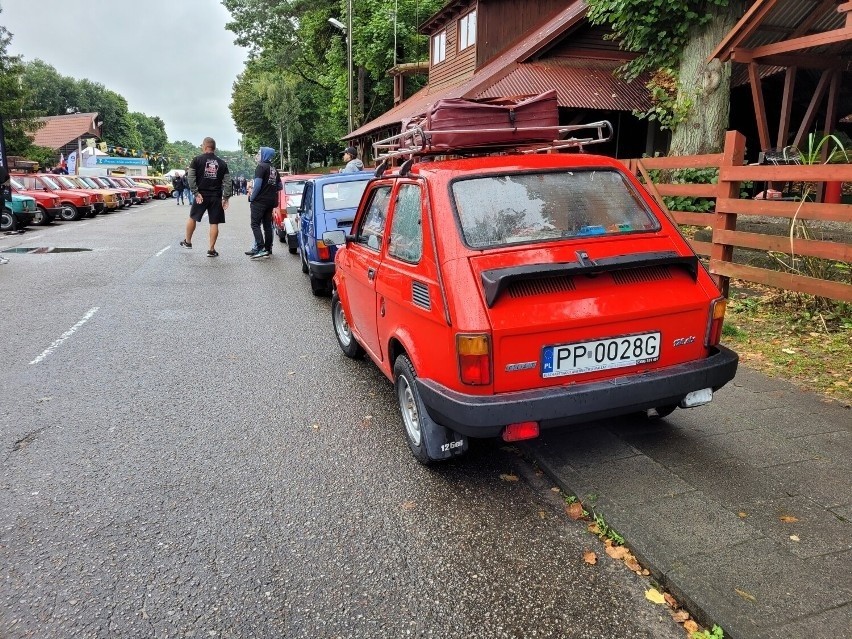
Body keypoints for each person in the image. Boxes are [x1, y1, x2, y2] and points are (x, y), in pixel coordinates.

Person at [181, 137, 233, 257]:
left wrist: (195, 192)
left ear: (204, 147)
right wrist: (226, 198)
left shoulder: (197, 160)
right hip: (216, 196)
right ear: (214, 148)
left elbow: (191, 177)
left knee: (192, 217)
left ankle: (188, 242)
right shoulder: (222, 163)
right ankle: (211, 249)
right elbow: (228, 182)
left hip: (201, 195)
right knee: (214, 223)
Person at [246, 146, 282, 259]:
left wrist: (252, 198)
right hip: (271, 201)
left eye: (259, 153)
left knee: (255, 224)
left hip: (260, 201)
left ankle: (260, 248)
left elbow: (257, 186)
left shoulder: (261, 167)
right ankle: (268, 248)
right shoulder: (274, 169)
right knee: (267, 225)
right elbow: (280, 186)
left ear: (264, 155)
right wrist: (270, 190)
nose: (258, 155)